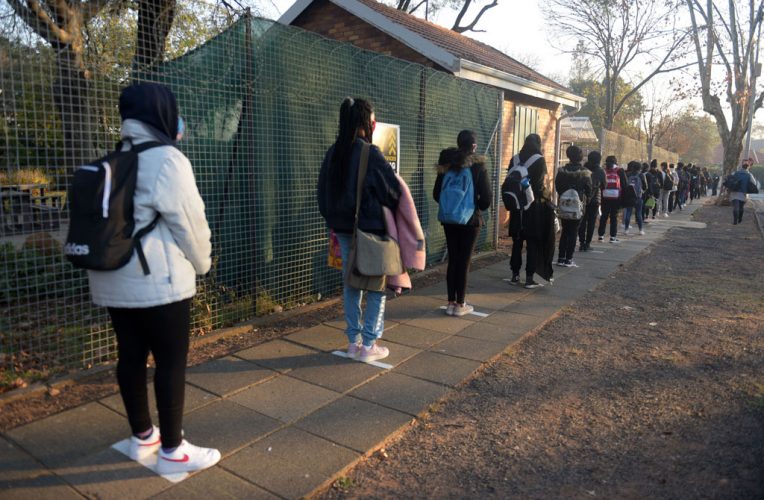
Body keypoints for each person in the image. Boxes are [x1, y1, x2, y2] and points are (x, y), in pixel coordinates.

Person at [88, 83, 220, 474]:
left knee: (130, 356)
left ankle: (143, 436)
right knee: (170, 362)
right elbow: (191, 225)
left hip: (111, 280)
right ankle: (173, 450)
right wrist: (203, 264)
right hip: (159, 285)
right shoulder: (167, 160)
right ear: (161, 114)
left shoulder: (114, 159)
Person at [317, 97, 401, 362]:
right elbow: (392, 192)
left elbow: (321, 193)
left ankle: (353, 343)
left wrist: (335, 219)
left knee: (351, 283)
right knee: (376, 286)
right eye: (373, 120)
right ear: (367, 122)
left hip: (342, 230)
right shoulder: (370, 153)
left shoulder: (334, 152)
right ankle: (369, 345)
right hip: (371, 230)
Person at [434, 131, 492, 315]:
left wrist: (451, 206)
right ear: (474, 146)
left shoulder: (446, 164)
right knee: (464, 261)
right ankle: (460, 305)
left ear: (458, 143)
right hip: (470, 220)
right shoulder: (478, 166)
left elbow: (436, 194)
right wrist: (474, 205)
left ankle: (450, 303)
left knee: (453, 259)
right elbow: (487, 199)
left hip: (449, 219)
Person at [507, 133, 553, 288]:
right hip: (534, 207)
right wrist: (548, 197)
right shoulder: (539, 160)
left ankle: (514, 275)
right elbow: (539, 187)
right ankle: (529, 278)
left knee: (517, 241)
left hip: (517, 206)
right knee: (532, 242)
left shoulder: (515, 159)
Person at [555, 145, 591, 267]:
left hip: (564, 204)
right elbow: (589, 189)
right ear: (580, 157)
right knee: (574, 231)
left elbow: (558, 186)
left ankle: (561, 258)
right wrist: (585, 199)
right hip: (578, 205)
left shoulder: (561, 171)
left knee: (565, 230)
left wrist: (564, 195)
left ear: (568, 155)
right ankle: (569, 259)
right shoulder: (585, 172)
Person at [597, 155, 627, 243]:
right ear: (615, 162)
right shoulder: (620, 171)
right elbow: (625, 184)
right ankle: (612, 237)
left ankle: (600, 236)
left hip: (605, 197)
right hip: (616, 197)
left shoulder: (603, 170)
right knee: (614, 216)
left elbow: (600, 184)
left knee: (604, 216)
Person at [579, 150, 605, 251]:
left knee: (582, 221)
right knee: (591, 222)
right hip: (595, 199)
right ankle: (587, 243)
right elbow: (604, 185)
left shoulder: (583, 169)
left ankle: (581, 242)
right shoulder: (601, 171)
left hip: (583, 199)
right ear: (599, 160)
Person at [730, 159, 759, 225]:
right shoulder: (749, 175)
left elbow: (730, 179)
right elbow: (754, 183)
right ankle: (740, 219)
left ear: (741, 167)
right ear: (747, 168)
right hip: (743, 193)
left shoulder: (735, 173)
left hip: (734, 192)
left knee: (735, 207)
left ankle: (735, 221)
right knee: (741, 207)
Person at [623, 160, 647, 235]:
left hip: (629, 197)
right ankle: (640, 230)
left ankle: (626, 229)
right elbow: (645, 186)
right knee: (639, 213)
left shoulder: (628, 174)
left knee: (628, 213)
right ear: (640, 168)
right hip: (638, 197)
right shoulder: (641, 175)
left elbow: (625, 185)